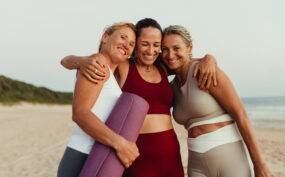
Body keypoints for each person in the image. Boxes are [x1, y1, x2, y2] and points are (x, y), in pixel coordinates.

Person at [61, 18, 218, 177]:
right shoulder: (123, 66)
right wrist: (78, 60)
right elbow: (72, 62)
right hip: (136, 155)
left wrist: (208, 58)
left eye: (156, 45)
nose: (151, 50)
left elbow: (183, 61)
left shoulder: (162, 67)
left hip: (170, 154)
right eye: (144, 44)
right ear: (136, 45)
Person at [161, 25, 274, 177]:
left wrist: (260, 165)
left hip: (229, 157)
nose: (170, 54)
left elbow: (241, 115)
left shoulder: (206, 71)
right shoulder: (171, 87)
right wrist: (207, 57)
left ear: (190, 47)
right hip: (196, 163)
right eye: (165, 49)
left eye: (176, 48)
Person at [57, 22, 139, 177]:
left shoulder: (111, 74)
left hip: (95, 156)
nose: (126, 45)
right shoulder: (98, 62)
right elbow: (80, 114)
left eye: (131, 44)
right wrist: (121, 144)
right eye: (123, 37)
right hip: (82, 156)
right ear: (105, 37)